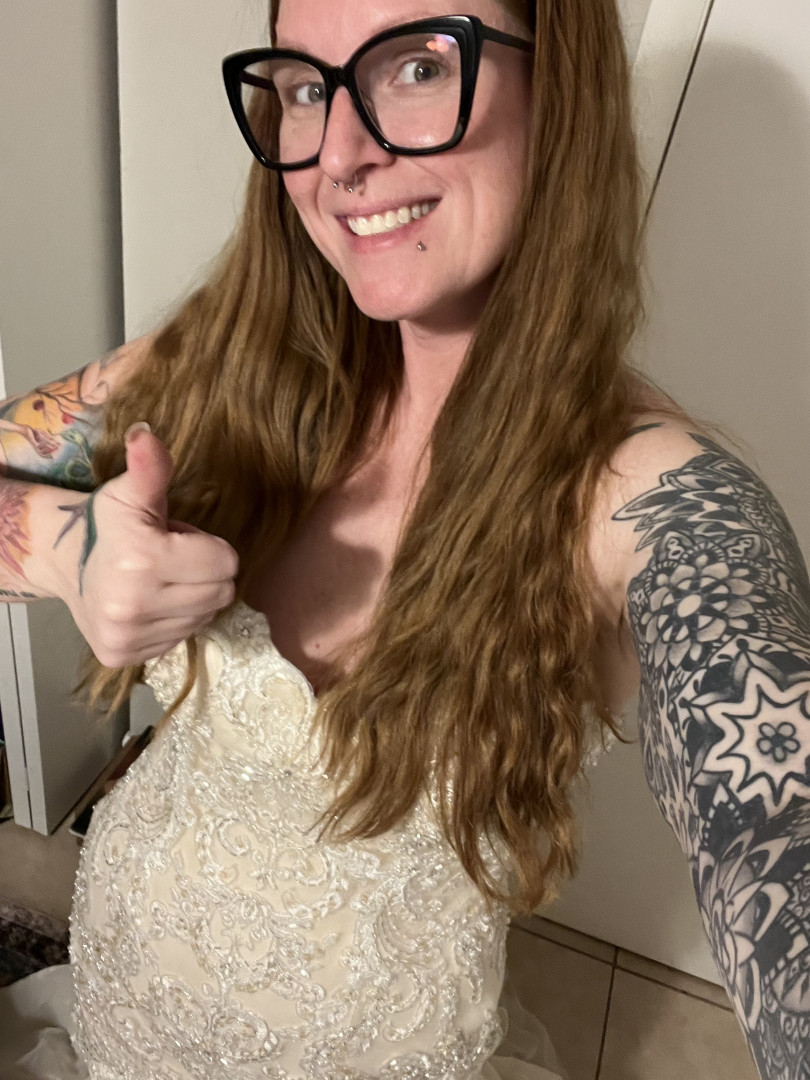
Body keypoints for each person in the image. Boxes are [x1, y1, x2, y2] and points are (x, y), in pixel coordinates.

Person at [0, 0, 808, 1077]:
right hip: (115, 1031)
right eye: (304, 86)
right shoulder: (218, 363)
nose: (338, 155)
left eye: (419, 66)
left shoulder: (648, 497)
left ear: (559, 94)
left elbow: (772, 803)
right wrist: (63, 549)